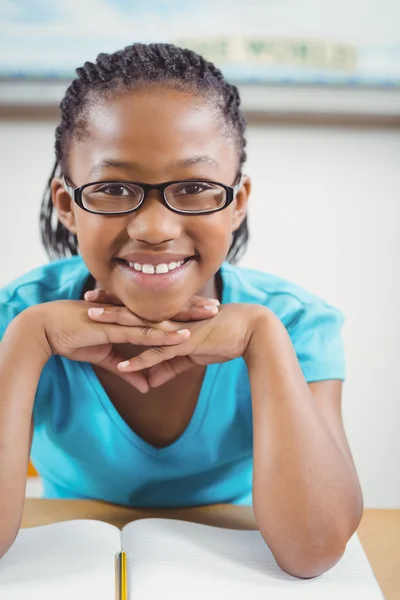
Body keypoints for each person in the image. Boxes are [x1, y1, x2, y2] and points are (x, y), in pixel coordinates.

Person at [0, 43, 363, 577]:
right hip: (74, 558)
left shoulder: (296, 324)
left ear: (237, 203)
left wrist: (264, 342)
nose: (154, 229)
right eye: (114, 188)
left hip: (233, 560)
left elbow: (313, 549)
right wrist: (29, 340)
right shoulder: (19, 315)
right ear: (68, 205)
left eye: (194, 187)